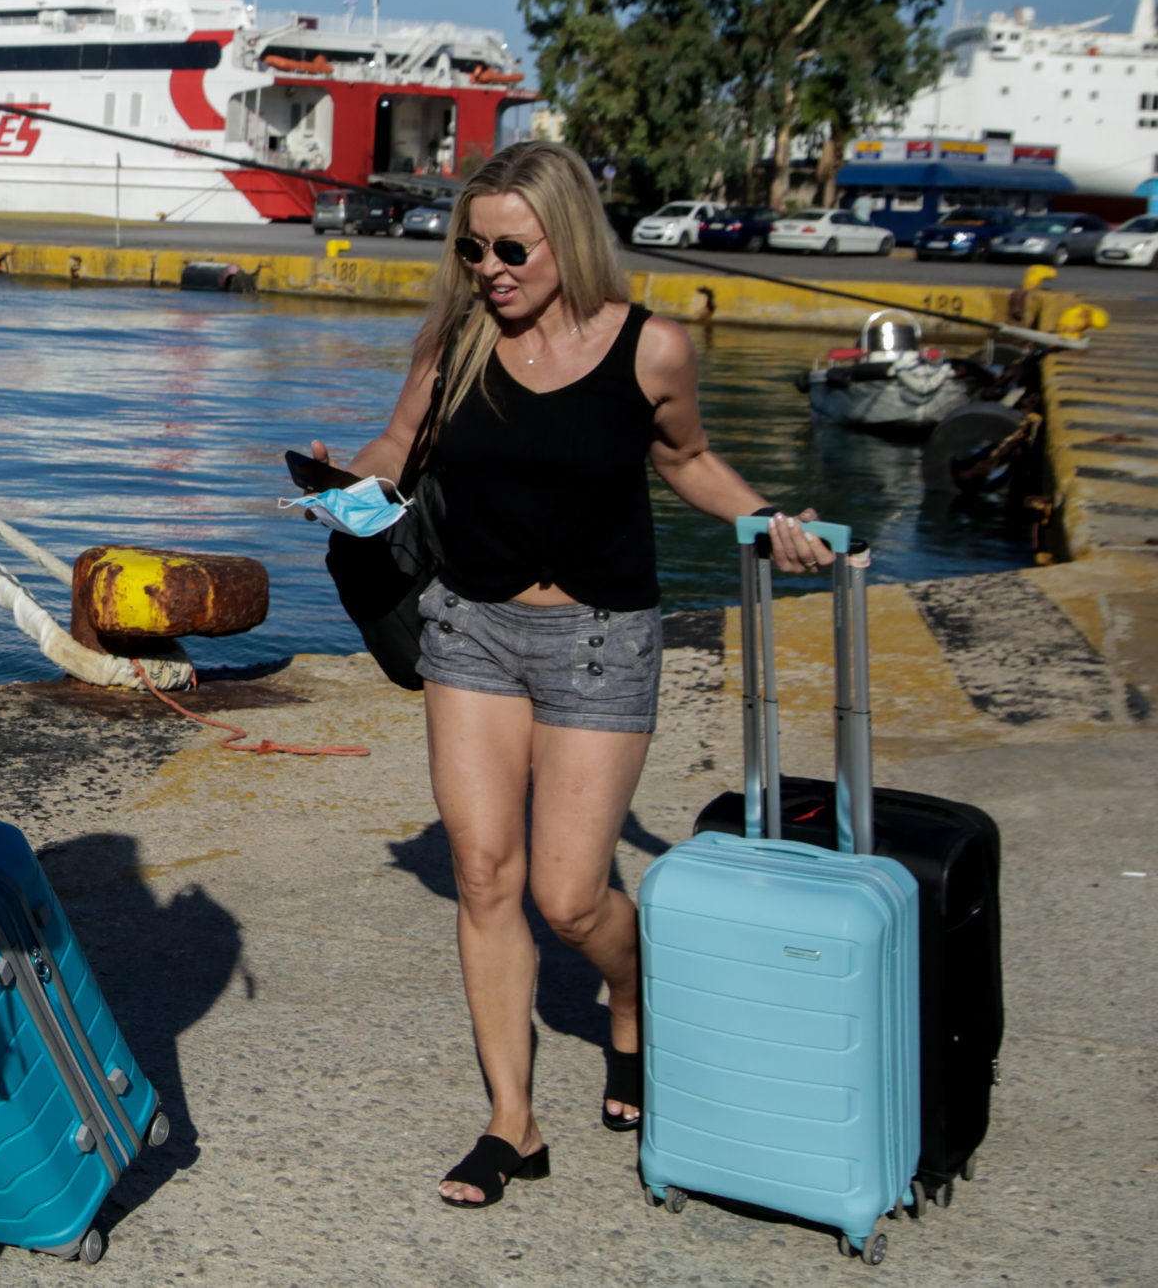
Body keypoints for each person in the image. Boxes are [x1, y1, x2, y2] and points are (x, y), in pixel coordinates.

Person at [309, 141, 836, 1210]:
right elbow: (397, 447)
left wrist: (761, 523)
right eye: (472, 246)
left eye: (511, 246)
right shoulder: (454, 342)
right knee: (485, 875)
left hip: (601, 634)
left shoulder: (651, 349)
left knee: (566, 896)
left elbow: (682, 457)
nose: (489, 267)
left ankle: (633, 1003)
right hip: (470, 630)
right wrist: (339, 481)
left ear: (567, 238)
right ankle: (513, 1120)